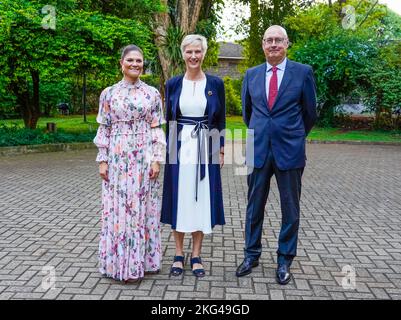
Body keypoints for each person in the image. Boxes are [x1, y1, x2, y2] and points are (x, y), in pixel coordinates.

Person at [236, 25, 317, 285]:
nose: (273, 44)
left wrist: (292, 135)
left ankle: (284, 259)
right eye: (269, 40)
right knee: (253, 206)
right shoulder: (251, 74)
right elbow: (248, 113)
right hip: (257, 149)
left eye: (278, 40)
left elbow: (310, 112)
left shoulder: (303, 73)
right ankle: (251, 255)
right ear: (262, 44)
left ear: (287, 44)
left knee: (290, 207)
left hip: (289, 151)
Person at [93, 45, 166, 282]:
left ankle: (141, 264)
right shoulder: (109, 93)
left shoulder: (152, 94)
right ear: (121, 63)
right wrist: (102, 160)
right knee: (117, 209)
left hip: (143, 157)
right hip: (116, 157)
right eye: (130, 60)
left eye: (139, 61)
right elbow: (104, 127)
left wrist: (156, 159)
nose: (135, 64)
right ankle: (117, 264)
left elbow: (156, 128)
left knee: (143, 208)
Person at [161, 34, 226, 278]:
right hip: (179, 145)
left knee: (201, 200)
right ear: (183, 54)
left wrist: (220, 149)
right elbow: (169, 120)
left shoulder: (215, 83)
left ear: (204, 54)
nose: (194, 56)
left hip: (205, 145)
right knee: (180, 199)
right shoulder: (173, 84)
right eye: (189, 51)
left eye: (198, 51)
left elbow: (220, 119)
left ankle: (196, 255)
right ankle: (178, 254)